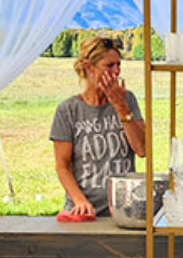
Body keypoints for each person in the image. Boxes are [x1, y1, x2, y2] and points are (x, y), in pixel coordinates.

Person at [50, 36, 146, 218]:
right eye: (109, 66)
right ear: (89, 68)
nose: (116, 72)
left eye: (119, 65)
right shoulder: (68, 110)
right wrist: (80, 201)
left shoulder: (128, 99)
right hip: (84, 211)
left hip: (123, 209)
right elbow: (62, 166)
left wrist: (121, 107)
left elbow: (142, 149)